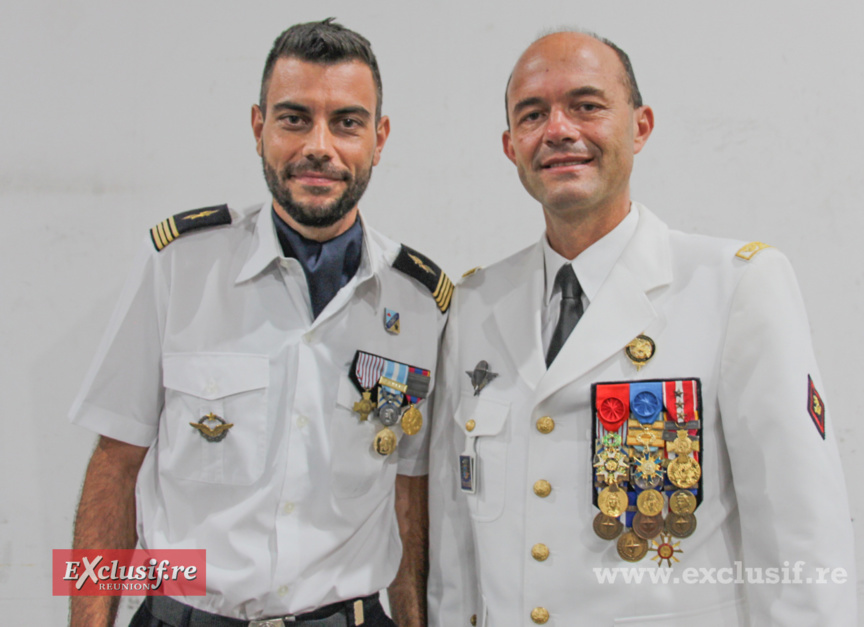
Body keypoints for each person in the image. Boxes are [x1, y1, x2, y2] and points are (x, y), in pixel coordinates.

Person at [428, 30, 856, 626]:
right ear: (510, 146)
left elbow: (803, 542)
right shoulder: (476, 304)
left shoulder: (734, 287)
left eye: (586, 105)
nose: (558, 130)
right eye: (532, 115)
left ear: (640, 126)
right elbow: (454, 551)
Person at [69, 19, 450, 627]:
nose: (319, 146)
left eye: (346, 122)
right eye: (294, 118)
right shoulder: (179, 265)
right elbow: (114, 464)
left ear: (379, 138)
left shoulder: (420, 301)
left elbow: (409, 494)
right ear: (258, 128)